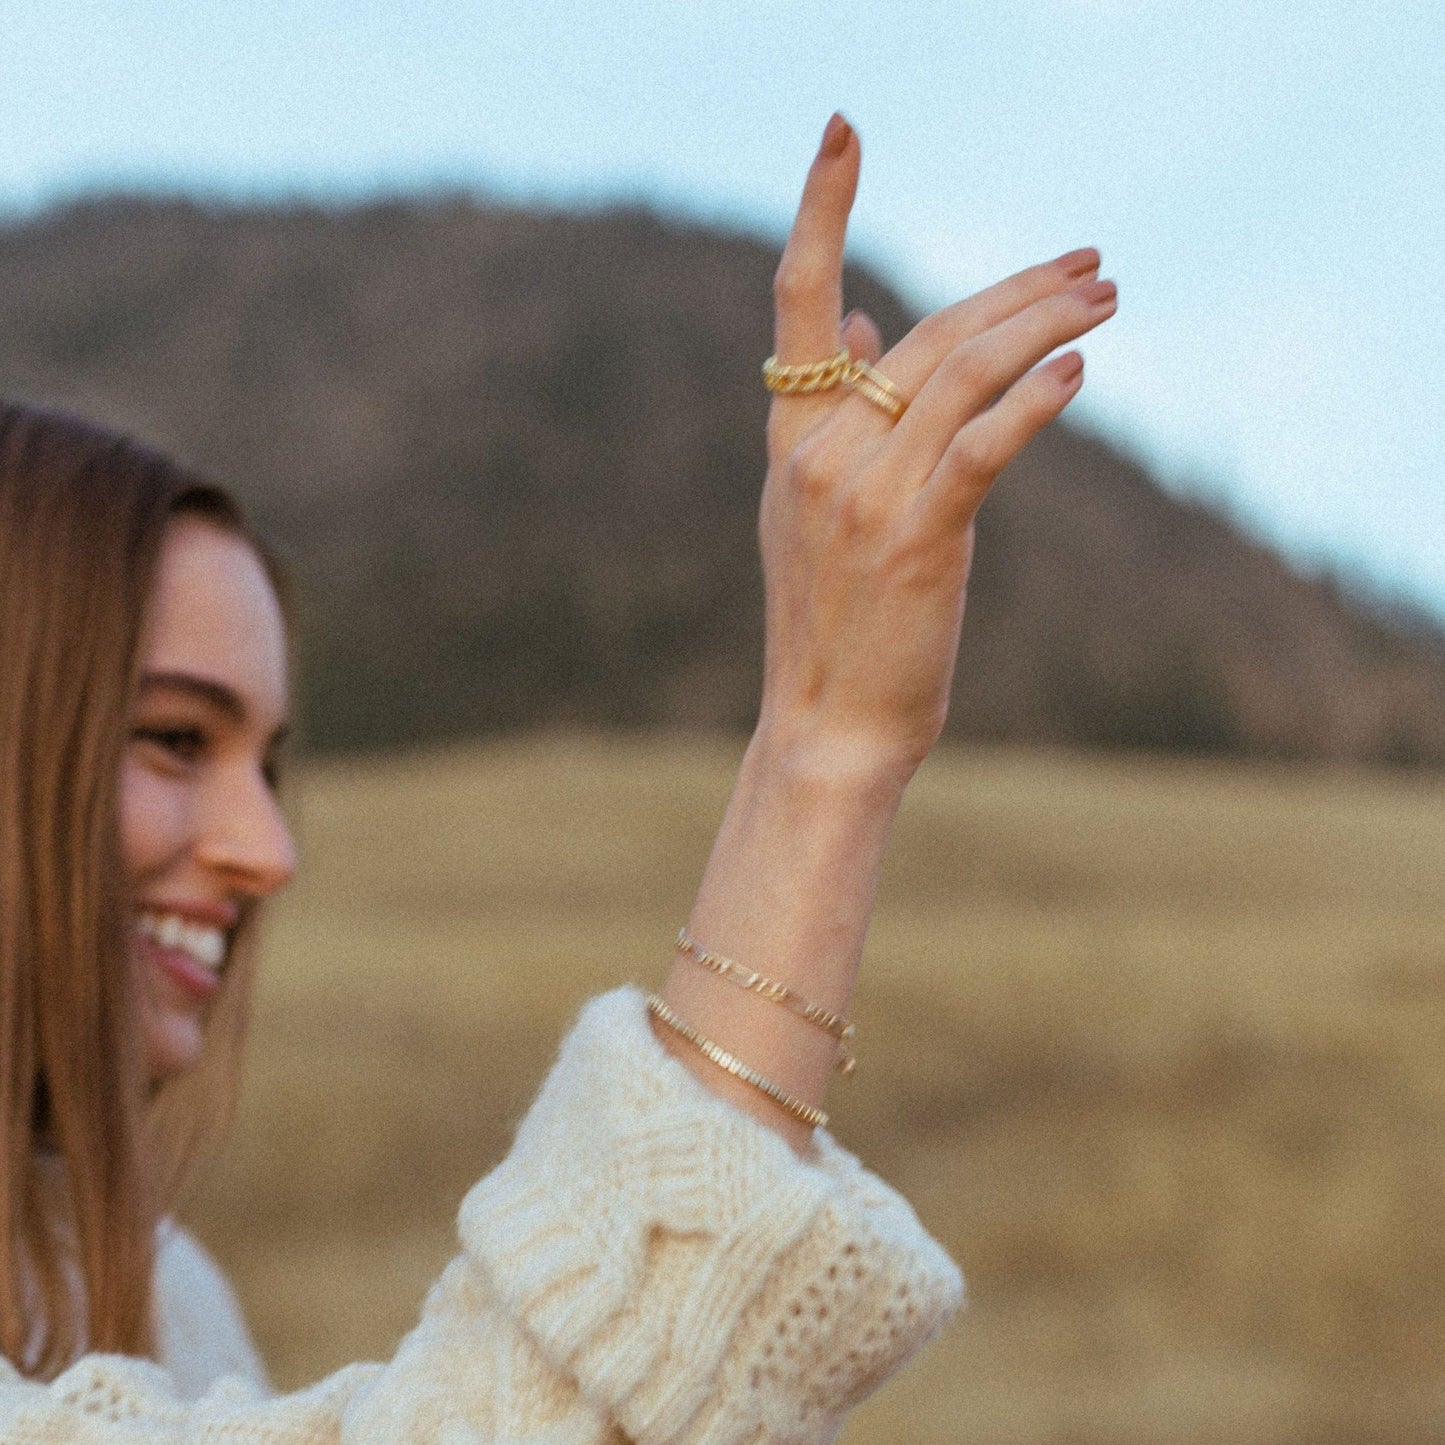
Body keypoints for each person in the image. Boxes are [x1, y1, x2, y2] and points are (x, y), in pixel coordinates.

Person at [0, 113, 1116, 1439]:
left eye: (269, 762)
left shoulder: (160, 1296)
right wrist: (821, 751)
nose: (265, 850)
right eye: (176, 738)